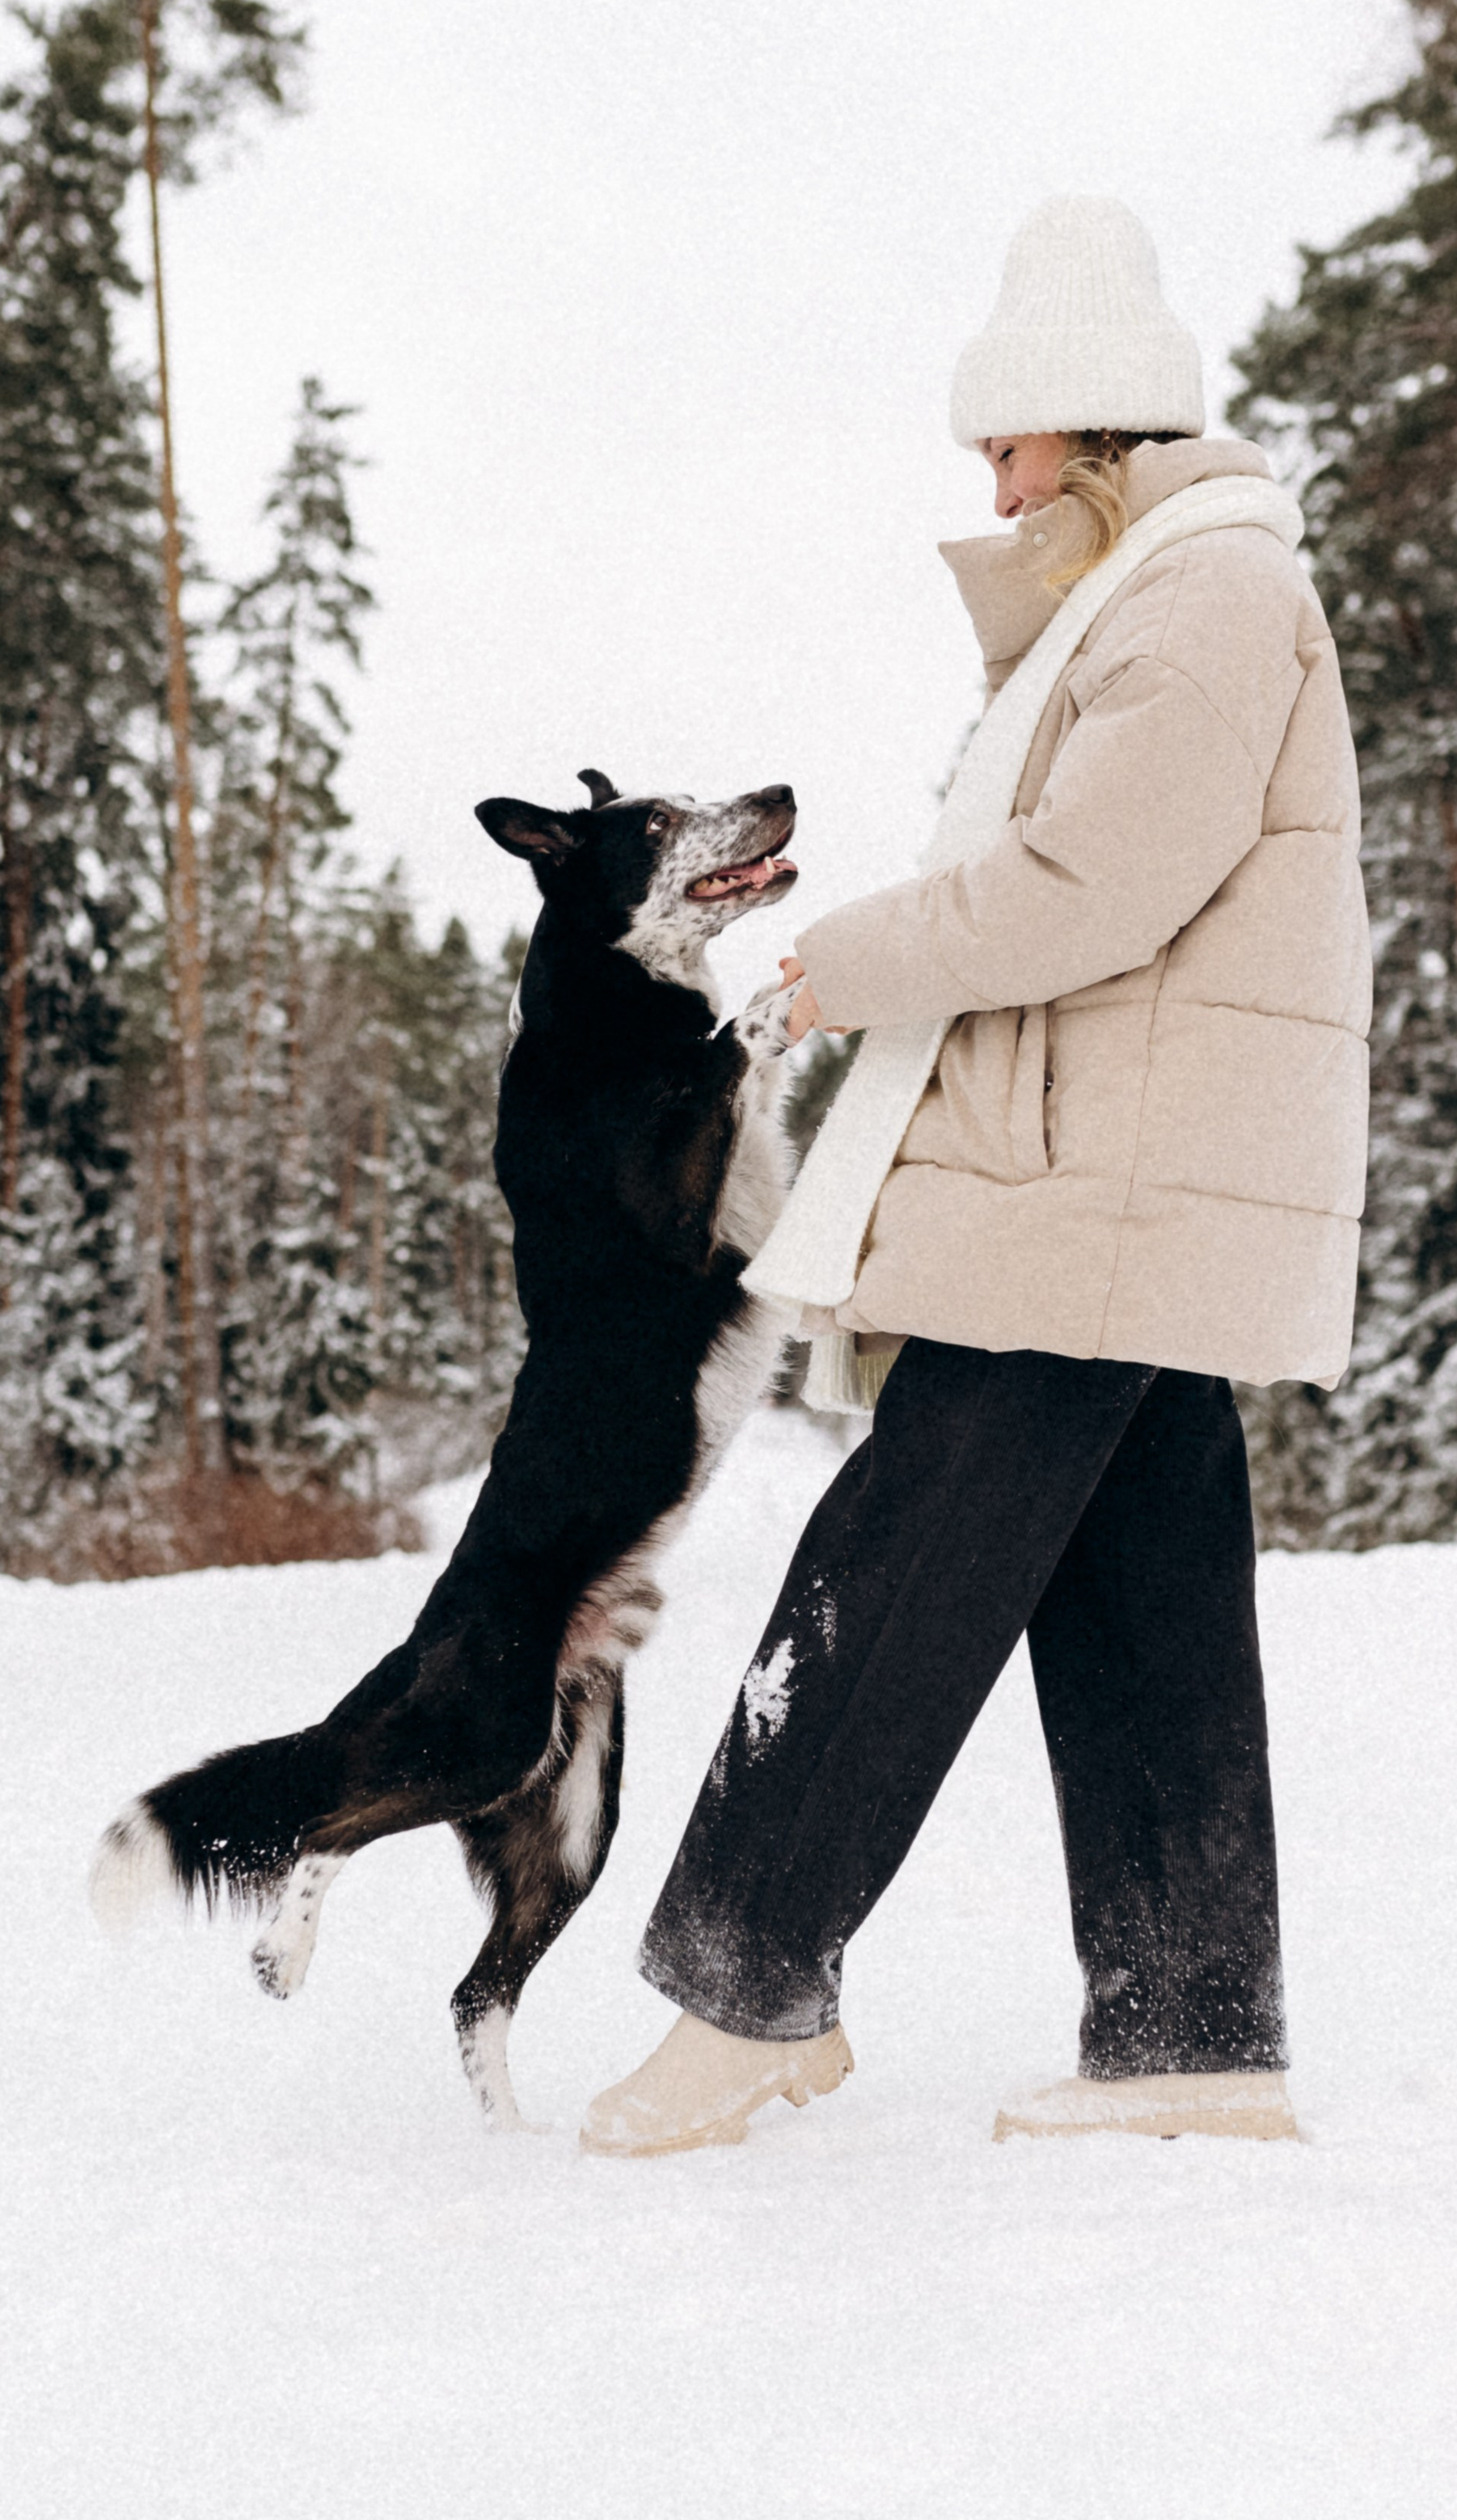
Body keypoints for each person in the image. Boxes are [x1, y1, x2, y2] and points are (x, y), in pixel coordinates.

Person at [581, 196, 1370, 2159]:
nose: (992, 489)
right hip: (1110, 1175)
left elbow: (1089, 883)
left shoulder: (1198, 596)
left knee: (889, 1572)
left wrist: (839, 959)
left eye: (1005, 449)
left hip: (1088, 1182)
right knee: (1144, 1607)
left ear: (1089, 430)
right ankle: (1189, 2038)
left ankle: (742, 1990)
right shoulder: (1157, 596)